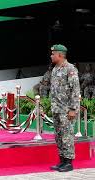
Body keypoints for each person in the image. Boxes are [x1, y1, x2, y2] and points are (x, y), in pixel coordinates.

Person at [49, 44, 80, 172]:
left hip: (67, 110)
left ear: (60, 55)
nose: (51, 56)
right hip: (57, 109)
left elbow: (75, 89)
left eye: (53, 54)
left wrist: (73, 109)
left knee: (67, 135)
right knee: (59, 135)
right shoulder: (55, 69)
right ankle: (62, 161)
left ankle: (69, 162)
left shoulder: (70, 69)